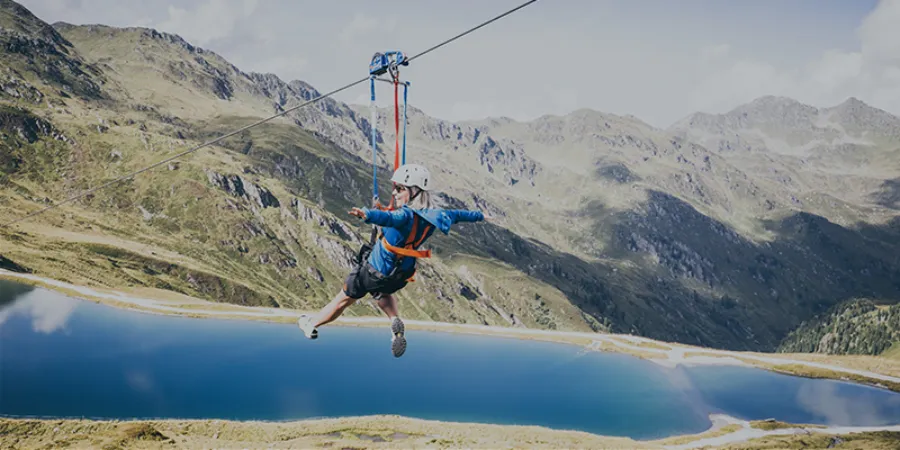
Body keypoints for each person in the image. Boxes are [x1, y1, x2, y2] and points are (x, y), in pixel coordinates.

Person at [297, 163, 487, 357]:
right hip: (400, 275)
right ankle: (394, 323)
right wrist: (480, 215)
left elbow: (387, 219)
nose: (394, 193)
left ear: (414, 191)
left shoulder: (404, 215)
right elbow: (461, 215)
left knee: (342, 300)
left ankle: (311, 324)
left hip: (373, 271)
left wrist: (367, 214)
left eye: (399, 189)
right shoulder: (438, 215)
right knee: (382, 293)